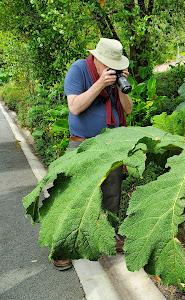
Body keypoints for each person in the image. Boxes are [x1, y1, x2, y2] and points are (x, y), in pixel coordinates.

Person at [55, 38, 133, 271]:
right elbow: (75, 107)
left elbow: (127, 109)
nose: (112, 69)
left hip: (112, 146)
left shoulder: (117, 78)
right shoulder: (79, 69)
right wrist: (100, 84)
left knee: (112, 196)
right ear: (97, 60)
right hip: (83, 146)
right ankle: (63, 248)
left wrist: (121, 86)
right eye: (109, 64)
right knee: (74, 198)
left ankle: (108, 237)